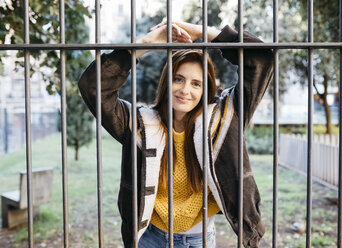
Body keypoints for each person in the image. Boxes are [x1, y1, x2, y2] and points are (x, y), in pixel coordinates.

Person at [78, 21, 274, 248]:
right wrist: (146, 43)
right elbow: (93, 86)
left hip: (201, 239)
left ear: (205, 89)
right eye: (178, 79)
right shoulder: (139, 124)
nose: (185, 90)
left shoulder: (224, 118)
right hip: (150, 238)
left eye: (196, 84)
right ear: (166, 81)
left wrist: (201, 32)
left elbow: (261, 60)